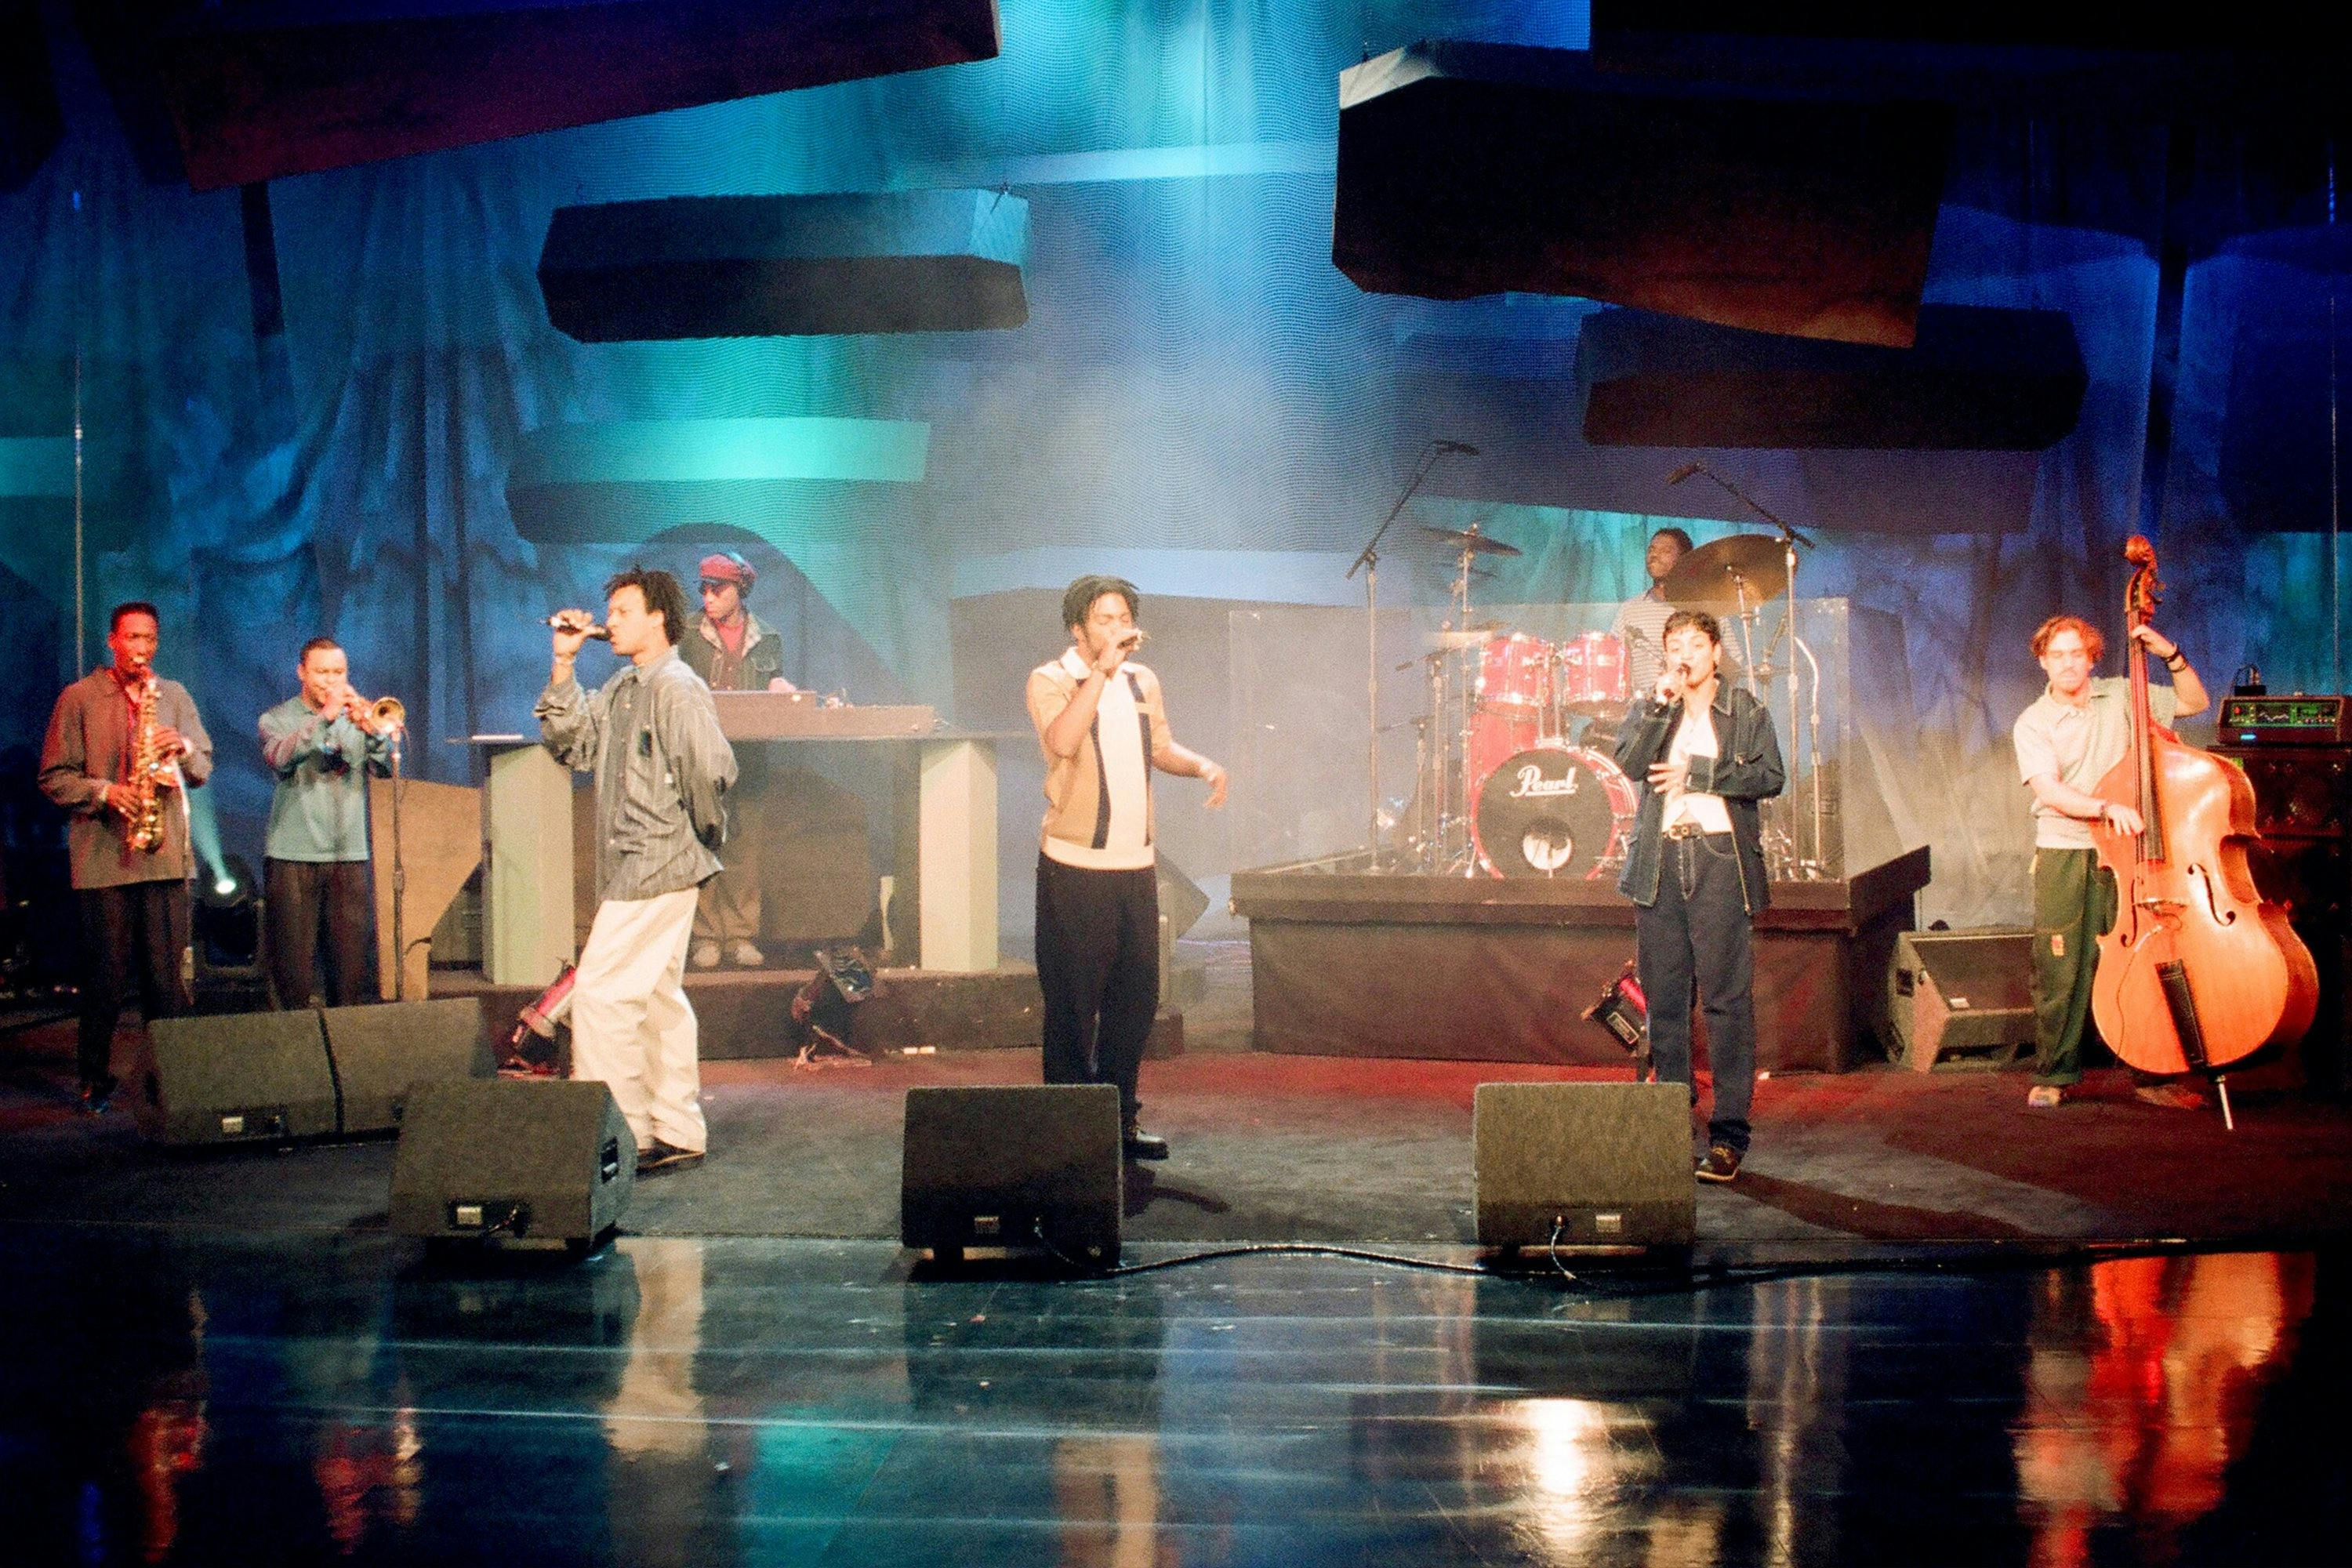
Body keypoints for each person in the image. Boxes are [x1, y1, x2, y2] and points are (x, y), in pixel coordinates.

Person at [537, 568, 738, 1174]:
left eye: (624, 611)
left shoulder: (677, 687)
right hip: (636, 861)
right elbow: (573, 744)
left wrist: (697, 841)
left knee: (600, 997)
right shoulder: (624, 687)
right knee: (655, 998)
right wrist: (564, 665)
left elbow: (712, 771)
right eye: (613, 612)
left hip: (659, 861)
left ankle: (621, 1134)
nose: (612, 622)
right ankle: (675, 1128)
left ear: (658, 617)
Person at [1026, 576, 1228, 1161]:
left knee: (1134, 999)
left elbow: (1158, 747)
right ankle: (1069, 1127)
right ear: (1078, 629)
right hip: (1074, 865)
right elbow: (1063, 740)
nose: (1117, 629)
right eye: (1104, 620)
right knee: (1072, 1004)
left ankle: (1119, 1120)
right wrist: (1101, 673)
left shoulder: (1145, 681)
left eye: (1123, 619)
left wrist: (1203, 766)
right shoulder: (1053, 679)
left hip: (1134, 865)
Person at [1613, 608, 1784, 1183]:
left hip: (1717, 859)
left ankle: (1730, 1134)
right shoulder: (1651, 708)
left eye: (1694, 643)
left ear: (1715, 653)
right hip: (1660, 860)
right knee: (1664, 1001)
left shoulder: (1744, 710)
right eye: (1674, 645)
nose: (1683, 654)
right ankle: (1668, 1123)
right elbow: (1630, 764)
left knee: (1725, 1002)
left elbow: (1769, 776)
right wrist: (1661, 706)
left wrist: (1699, 775)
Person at [2012, 614, 2209, 1110]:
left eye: (2077, 653)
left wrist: (2170, 654)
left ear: (2091, 658)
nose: (2067, 664)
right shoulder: (2033, 722)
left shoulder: (2124, 694)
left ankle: (2153, 1073)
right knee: (2062, 966)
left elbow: (2194, 702)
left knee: (2142, 957)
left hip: (2129, 852)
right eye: (2057, 655)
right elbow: (2050, 791)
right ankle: (2056, 1074)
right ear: (2043, 661)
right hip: (2067, 849)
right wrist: (2105, 807)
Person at [38, 602, 214, 1112]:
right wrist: (106, 793)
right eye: (132, 638)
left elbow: (204, 764)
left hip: (163, 859)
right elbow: (53, 776)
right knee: (106, 979)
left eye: (150, 639)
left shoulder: (174, 696)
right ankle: (95, 1079)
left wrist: (181, 746)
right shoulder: (79, 698)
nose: (142, 649)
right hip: (104, 862)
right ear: (112, 640)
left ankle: (172, 1079)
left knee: (168, 982)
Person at [257, 637, 394, 1009]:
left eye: (338, 672)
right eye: (321, 672)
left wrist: (374, 732)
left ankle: (343, 1058)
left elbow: (383, 769)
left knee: (348, 976)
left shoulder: (355, 717)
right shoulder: (276, 718)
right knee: (293, 976)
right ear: (301, 672)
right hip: (291, 856)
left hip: (348, 856)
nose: (331, 680)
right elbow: (280, 758)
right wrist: (325, 717)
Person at [677, 550, 793, 970]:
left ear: (740, 591)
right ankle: (707, 936)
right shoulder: (687, 633)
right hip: (701, 759)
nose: (708, 597)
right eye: (704, 589)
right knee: (704, 846)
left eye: (718, 589)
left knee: (745, 848)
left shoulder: (768, 636)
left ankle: (742, 934)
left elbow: (774, 682)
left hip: (748, 760)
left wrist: (780, 686)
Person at [1609, 528, 1693, 698]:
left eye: (1665, 550)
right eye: (1651, 550)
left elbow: (1732, 664)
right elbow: (1613, 660)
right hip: (1647, 712)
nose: (1654, 555)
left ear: (1684, 559)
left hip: (1692, 708)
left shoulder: (1703, 607)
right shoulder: (1630, 609)